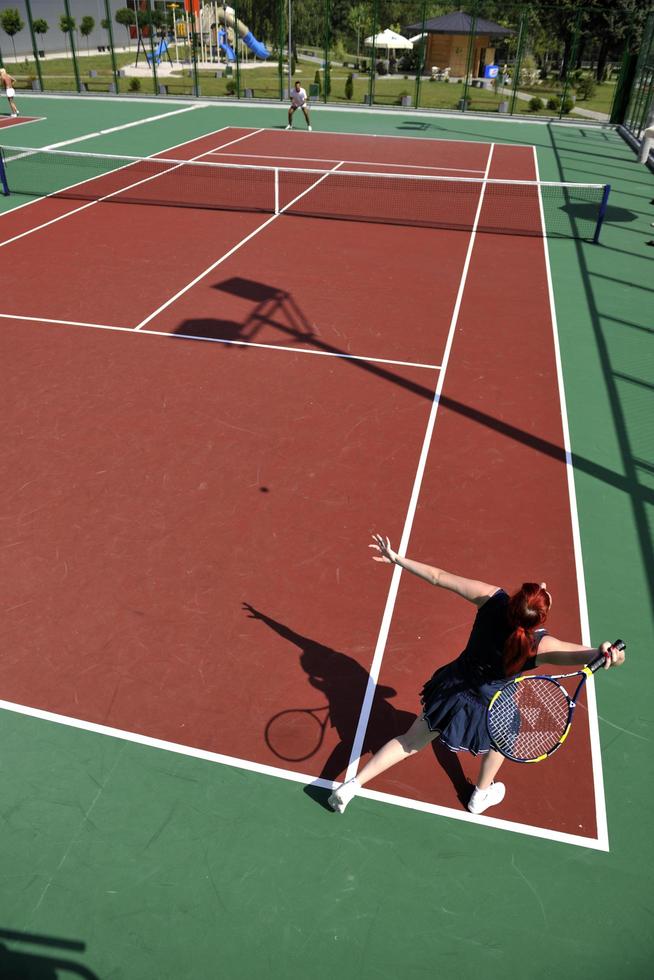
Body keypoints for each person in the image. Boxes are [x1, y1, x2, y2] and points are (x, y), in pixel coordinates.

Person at [328, 534, 626, 816]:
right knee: (503, 737)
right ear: (539, 620)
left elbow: (438, 577)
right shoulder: (541, 645)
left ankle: (352, 785)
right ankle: (480, 794)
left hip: (452, 688)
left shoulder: (490, 599)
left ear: (516, 600)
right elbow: (589, 654)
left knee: (410, 742)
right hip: (492, 705)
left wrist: (396, 558)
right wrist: (608, 653)